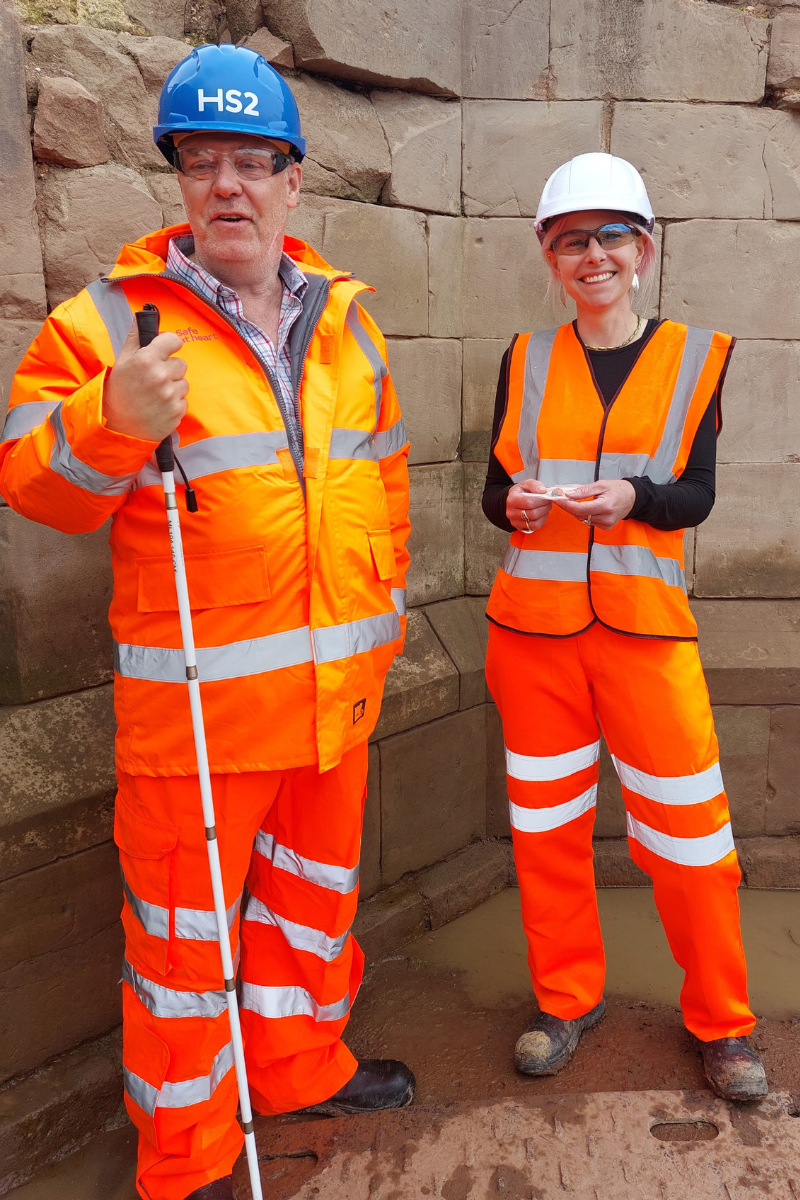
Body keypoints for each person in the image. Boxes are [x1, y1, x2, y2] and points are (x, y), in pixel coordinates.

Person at [0, 44, 413, 1200]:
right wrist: (113, 418)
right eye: (201, 163)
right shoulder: (112, 326)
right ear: (178, 180)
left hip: (333, 707)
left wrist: (373, 642)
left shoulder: (347, 325)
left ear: (292, 180)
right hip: (198, 715)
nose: (227, 185)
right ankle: (182, 1164)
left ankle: (293, 1072)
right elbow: (36, 487)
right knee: (183, 961)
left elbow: (383, 486)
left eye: (250, 162)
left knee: (306, 916)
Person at [482, 152, 767, 1102]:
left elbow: (696, 497)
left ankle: (723, 1025)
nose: (592, 254)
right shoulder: (524, 358)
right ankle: (567, 1001)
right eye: (572, 240)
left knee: (690, 841)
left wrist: (634, 497)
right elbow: (495, 490)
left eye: (611, 236)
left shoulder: (696, 357)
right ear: (549, 255)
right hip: (532, 637)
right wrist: (516, 508)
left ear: (644, 249)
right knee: (547, 831)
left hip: (645, 635)